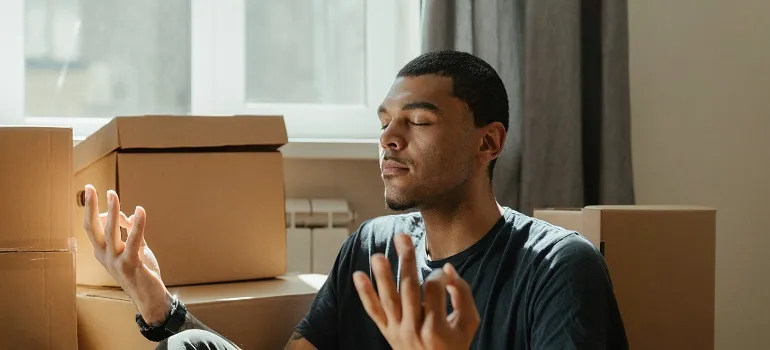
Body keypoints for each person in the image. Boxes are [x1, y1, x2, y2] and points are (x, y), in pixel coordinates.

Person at [82, 50, 628, 350]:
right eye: (385, 122)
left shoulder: (558, 267)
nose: (390, 139)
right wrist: (156, 302)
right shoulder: (373, 245)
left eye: (417, 121)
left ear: (488, 141)